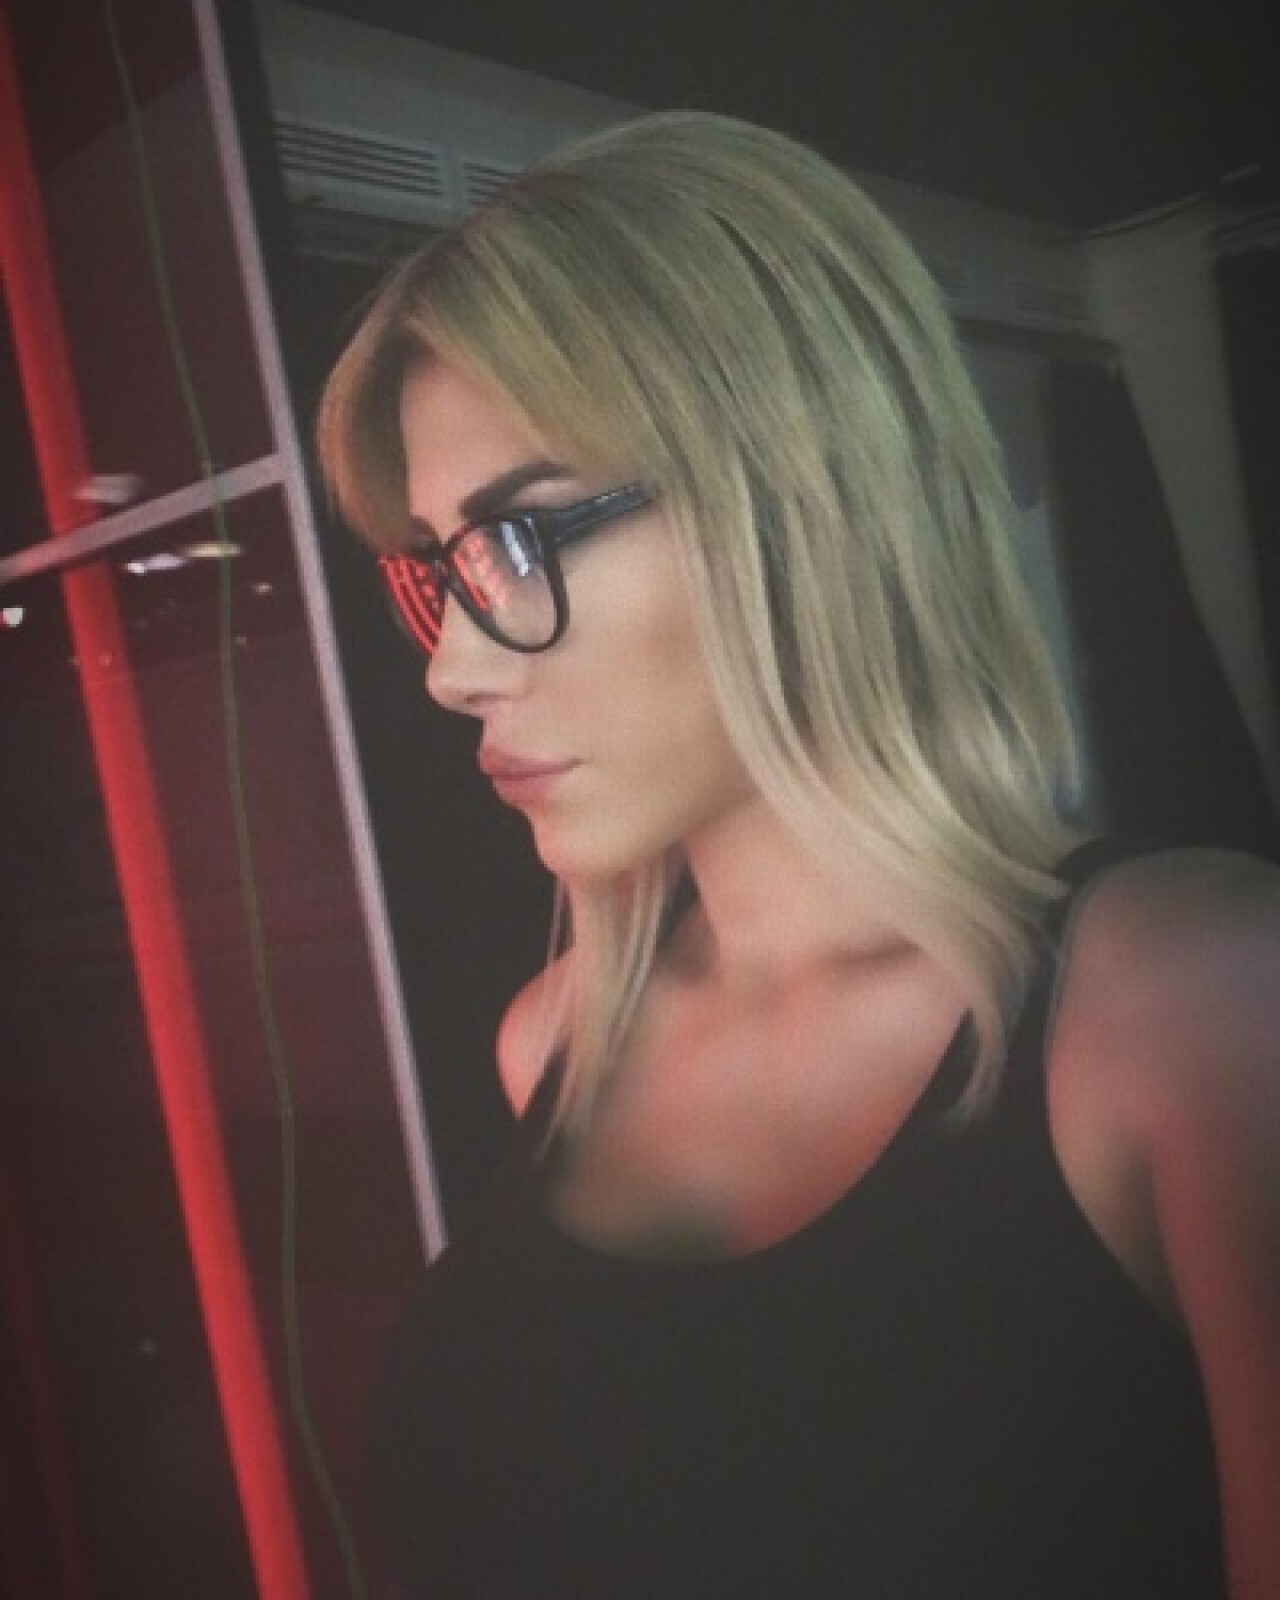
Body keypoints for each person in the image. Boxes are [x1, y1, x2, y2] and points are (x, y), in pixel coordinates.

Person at [318, 112, 1280, 1599]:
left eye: (521, 540)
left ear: (798, 497)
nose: (453, 669)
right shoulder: (554, 1042)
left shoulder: (1192, 1008)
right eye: (444, 569)